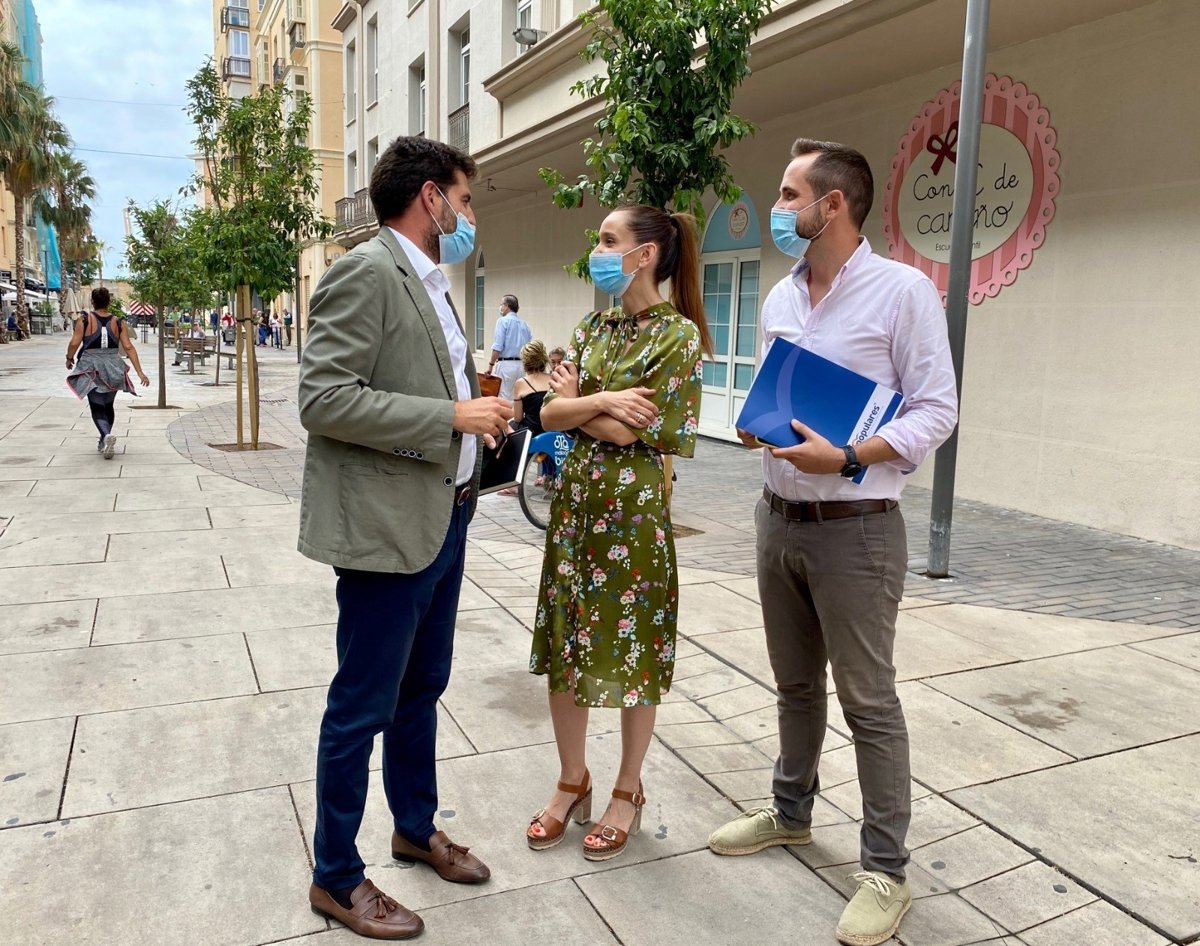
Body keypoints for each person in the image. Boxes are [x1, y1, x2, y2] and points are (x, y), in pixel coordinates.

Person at [705, 139, 958, 946]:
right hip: (777, 517)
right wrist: (758, 426)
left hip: (857, 530)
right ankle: (790, 813)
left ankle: (885, 870)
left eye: (789, 195)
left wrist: (848, 456)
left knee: (868, 701)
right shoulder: (783, 295)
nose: (778, 209)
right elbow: (776, 391)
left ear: (834, 204)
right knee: (793, 686)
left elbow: (937, 410)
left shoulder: (902, 293)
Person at [297, 135, 512, 940]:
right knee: (361, 707)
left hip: (445, 515)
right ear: (431, 197)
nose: (469, 214)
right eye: (465, 198)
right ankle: (335, 876)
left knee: (422, 688)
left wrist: (478, 419)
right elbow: (323, 398)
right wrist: (451, 415)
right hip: (387, 530)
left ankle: (414, 828)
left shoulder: (429, 281)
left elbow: (421, 386)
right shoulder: (366, 271)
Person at [526, 204, 709, 862]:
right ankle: (572, 779)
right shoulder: (591, 325)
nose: (598, 251)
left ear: (646, 254)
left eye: (609, 240)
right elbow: (546, 412)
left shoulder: (678, 338)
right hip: (574, 516)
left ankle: (628, 790)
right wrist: (602, 401)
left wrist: (580, 405)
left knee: (634, 655)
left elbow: (634, 435)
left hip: (632, 524)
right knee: (565, 646)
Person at [65, 287, 150, 457]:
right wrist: (140, 372)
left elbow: (74, 343)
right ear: (109, 302)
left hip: (91, 367)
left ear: (92, 302)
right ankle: (104, 439)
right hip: (113, 366)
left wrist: (69, 357)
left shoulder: (84, 320)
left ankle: (105, 435)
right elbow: (128, 347)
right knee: (108, 405)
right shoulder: (118, 322)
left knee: (96, 405)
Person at [485, 294, 532, 399]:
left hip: (506, 365)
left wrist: (490, 365)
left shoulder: (502, 321)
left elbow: (498, 346)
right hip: (521, 365)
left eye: (501, 304)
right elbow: (529, 347)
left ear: (506, 306)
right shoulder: (525, 324)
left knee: (504, 397)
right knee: (518, 397)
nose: (500, 307)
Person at [510, 339, 551, 435]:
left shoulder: (521, 383)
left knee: (506, 427)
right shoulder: (554, 379)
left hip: (532, 432)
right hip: (554, 430)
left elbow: (518, 418)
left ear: (525, 363)